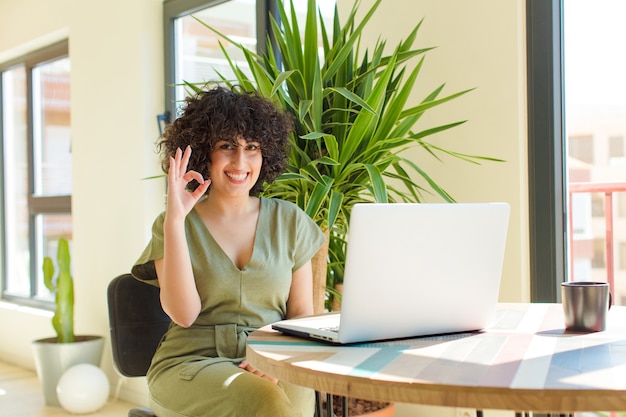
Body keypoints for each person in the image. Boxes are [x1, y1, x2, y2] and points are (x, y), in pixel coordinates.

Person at [131, 85, 326, 417]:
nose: (240, 161)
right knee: (264, 400)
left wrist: (274, 359)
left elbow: (302, 314)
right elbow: (183, 314)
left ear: (267, 154)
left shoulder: (290, 221)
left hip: (272, 354)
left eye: (251, 147)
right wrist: (176, 221)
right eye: (226, 146)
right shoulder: (175, 224)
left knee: (297, 401)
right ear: (204, 152)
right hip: (192, 364)